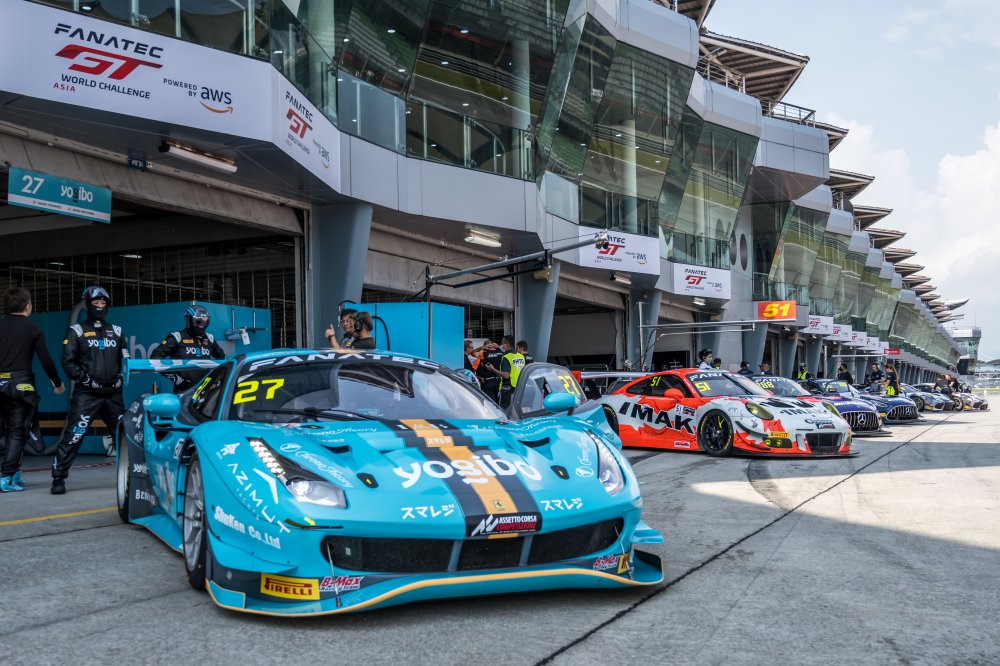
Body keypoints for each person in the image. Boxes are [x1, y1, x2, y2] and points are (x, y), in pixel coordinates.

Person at [51, 286, 127, 494]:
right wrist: (85, 380)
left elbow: (126, 360)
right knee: (74, 435)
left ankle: (135, 477)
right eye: (96, 303)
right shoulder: (76, 331)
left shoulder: (117, 331)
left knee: (125, 436)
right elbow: (68, 362)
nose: (100, 306)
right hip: (87, 394)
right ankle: (58, 478)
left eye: (103, 303)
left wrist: (121, 378)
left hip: (112, 394)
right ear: (87, 305)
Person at [0, 288, 64, 492]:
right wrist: (57, 383)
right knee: (16, 431)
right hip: (20, 385)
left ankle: (14, 473)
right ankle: (7, 477)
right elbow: (46, 360)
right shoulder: (33, 328)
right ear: (28, 306)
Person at [150, 304, 225, 392]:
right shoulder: (177, 337)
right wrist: (177, 379)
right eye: (198, 321)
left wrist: (215, 378)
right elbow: (155, 358)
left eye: (205, 321)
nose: (202, 325)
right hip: (184, 390)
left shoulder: (209, 338)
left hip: (205, 390)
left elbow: (222, 358)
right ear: (189, 320)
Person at [494, 336, 525, 408]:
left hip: (507, 389)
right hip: (519, 388)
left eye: (502, 344)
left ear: (506, 345)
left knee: (505, 411)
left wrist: (493, 369)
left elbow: (506, 375)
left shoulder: (506, 357)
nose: (501, 346)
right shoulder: (521, 356)